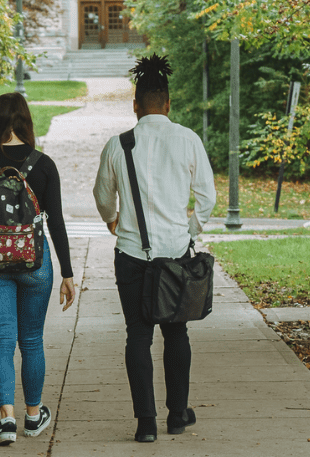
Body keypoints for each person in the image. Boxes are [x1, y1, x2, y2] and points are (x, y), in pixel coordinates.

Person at [92, 54, 216, 442]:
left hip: (131, 257)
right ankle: (177, 415)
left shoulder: (118, 145)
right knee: (176, 334)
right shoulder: (188, 139)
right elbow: (207, 198)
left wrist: (113, 221)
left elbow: (101, 195)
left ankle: (146, 424)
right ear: (167, 103)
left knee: (137, 337)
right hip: (175, 257)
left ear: (135, 105)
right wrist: (188, 229)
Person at [0, 92, 76, 446]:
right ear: (26, 121)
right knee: (31, 341)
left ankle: (6, 420)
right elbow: (56, 223)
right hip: (35, 264)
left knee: (1, 341)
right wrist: (68, 274)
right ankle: (33, 415)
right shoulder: (43, 165)